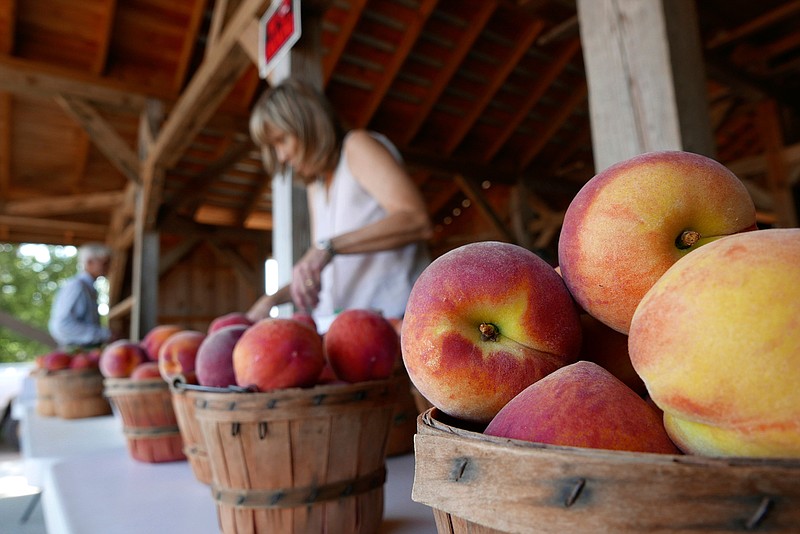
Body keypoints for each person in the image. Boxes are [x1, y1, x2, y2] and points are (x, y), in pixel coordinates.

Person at [246, 77, 433, 331]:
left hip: (394, 323)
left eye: (282, 140)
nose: (282, 156)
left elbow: (416, 220)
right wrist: (272, 299)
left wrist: (328, 247)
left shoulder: (357, 146)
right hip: (346, 331)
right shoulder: (316, 187)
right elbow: (321, 259)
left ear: (306, 124)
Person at [48, 243, 113, 349]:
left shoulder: (89, 288)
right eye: (105, 263)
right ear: (89, 262)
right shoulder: (77, 286)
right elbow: (62, 325)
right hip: (77, 351)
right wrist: (105, 335)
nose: (109, 267)